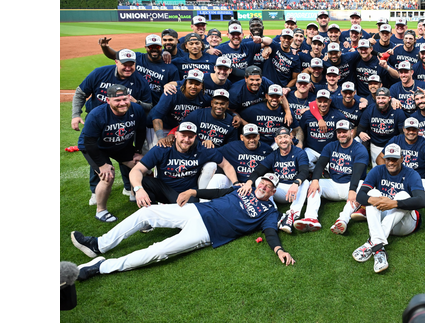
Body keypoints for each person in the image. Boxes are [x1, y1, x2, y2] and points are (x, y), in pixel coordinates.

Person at [69, 174, 295, 281]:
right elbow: (217, 192)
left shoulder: (270, 211)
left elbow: (270, 232)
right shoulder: (242, 189)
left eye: (269, 186)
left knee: (158, 251)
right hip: (196, 210)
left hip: (207, 232)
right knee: (148, 212)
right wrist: (194, 192)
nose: (264, 187)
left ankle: (101, 266)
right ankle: (99, 244)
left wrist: (279, 250)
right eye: (263, 183)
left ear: (273, 192)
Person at [352, 143, 425, 273]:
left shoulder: (411, 174)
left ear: (402, 158)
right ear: (384, 159)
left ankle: (372, 242)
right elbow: (360, 196)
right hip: (385, 220)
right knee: (372, 194)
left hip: (405, 224)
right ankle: (378, 249)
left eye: (394, 159)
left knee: (403, 195)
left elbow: (421, 200)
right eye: (388, 159)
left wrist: (394, 203)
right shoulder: (377, 170)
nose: (391, 163)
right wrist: (375, 200)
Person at [77, 84, 145, 222]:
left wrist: (137, 151)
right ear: (108, 101)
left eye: (125, 99)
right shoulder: (96, 114)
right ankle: (101, 210)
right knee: (108, 176)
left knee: (140, 166)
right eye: (117, 100)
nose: (122, 103)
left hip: (119, 144)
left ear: (129, 97)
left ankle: (134, 193)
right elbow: (89, 142)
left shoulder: (137, 109)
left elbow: (141, 131)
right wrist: (102, 165)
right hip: (96, 147)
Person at [130, 122, 239, 206]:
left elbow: (226, 164)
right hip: (165, 189)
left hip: (188, 193)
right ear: (176, 135)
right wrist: (138, 189)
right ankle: (152, 214)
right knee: (141, 182)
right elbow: (136, 170)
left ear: (195, 137)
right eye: (183, 135)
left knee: (187, 216)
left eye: (190, 137)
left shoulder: (202, 149)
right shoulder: (162, 148)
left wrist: (236, 182)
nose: (186, 140)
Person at [297, 120, 370, 234]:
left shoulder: (360, 149)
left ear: (351, 132)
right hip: (334, 183)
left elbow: (357, 173)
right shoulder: (331, 146)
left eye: (344, 131)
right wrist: (315, 180)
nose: (342, 134)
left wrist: (352, 190)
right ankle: (311, 218)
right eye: (339, 132)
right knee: (313, 184)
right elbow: (320, 164)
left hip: (351, 185)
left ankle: (342, 220)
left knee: (364, 187)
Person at [247, 127, 311, 234]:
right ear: (276, 140)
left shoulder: (299, 153)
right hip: (280, 190)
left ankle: (292, 215)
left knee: (305, 182)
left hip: (295, 191)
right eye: (280, 138)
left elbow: (304, 171)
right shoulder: (273, 155)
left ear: (290, 138)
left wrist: (296, 183)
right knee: (259, 180)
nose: (283, 140)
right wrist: (248, 183)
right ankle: (273, 211)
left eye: (285, 137)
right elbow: (258, 171)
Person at [72, 49, 153, 131]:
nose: (128, 68)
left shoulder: (141, 82)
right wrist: (76, 115)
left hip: (124, 124)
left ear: (135, 63)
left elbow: (148, 107)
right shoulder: (99, 73)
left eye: (131, 65)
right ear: (116, 62)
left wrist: (136, 102)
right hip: (96, 120)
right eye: (124, 65)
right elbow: (80, 93)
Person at [98, 34, 181, 105]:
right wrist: (105, 47)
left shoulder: (171, 68)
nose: (154, 49)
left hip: (155, 105)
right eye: (151, 47)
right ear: (146, 47)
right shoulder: (137, 57)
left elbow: (175, 92)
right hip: (131, 101)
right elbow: (115, 55)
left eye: (157, 46)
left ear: (161, 47)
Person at [376, 117, 425, 203]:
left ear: (418, 129)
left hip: (416, 179)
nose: (411, 132)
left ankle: (403, 198)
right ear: (403, 129)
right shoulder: (396, 140)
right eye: (408, 129)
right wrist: (389, 172)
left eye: (414, 129)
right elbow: (380, 158)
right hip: (396, 177)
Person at [148, 69, 211, 148]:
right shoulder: (172, 93)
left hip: (181, 129)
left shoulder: (205, 99)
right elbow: (156, 117)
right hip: (162, 126)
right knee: (159, 148)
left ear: (202, 86)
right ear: (185, 83)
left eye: (197, 84)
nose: (193, 87)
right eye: (190, 83)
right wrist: (161, 138)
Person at [295, 89, 346, 169]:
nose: (322, 104)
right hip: (311, 149)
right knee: (301, 161)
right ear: (316, 101)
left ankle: (324, 169)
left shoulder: (338, 116)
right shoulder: (307, 115)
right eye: (320, 101)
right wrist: (300, 142)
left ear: (330, 101)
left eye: (325, 101)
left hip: (331, 150)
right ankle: (317, 170)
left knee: (338, 168)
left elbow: (346, 131)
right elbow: (301, 130)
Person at [358, 87, 407, 166]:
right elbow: (360, 127)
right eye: (378, 98)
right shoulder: (370, 110)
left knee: (393, 167)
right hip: (376, 144)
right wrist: (361, 133)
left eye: (384, 98)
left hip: (393, 144)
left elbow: (403, 132)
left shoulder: (397, 111)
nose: (381, 101)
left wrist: (395, 144)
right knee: (379, 168)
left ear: (389, 98)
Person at [238, 84, 296, 148]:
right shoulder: (253, 109)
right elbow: (238, 118)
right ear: (266, 96)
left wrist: (295, 139)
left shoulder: (287, 112)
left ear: (282, 97)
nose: (274, 99)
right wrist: (247, 124)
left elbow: (297, 129)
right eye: (272, 96)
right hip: (258, 143)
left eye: (277, 96)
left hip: (277, 144)